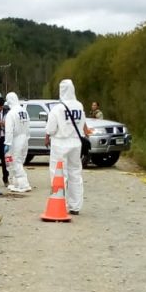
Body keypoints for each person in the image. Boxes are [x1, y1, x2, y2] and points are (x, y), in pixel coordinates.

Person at [45, 79, 87, 215]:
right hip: (76, 143)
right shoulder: (79, 106)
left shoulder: (57, 108)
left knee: (58, 174)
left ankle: (59, 203)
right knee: (75, 173)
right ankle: (75, 206)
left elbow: (51, 129)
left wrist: (48, 137)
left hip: (60, 143)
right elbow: (83, 124)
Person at [3, 92, 31, 192]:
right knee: (18, 161)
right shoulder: (24, 111)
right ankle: (16, 183)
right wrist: (27, 137)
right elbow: (28, 126)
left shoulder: (11, 114)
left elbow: (9, 130)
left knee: (15, 161)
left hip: (15, 140)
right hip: (24, 139)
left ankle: (24, 184)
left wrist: (7, 143)